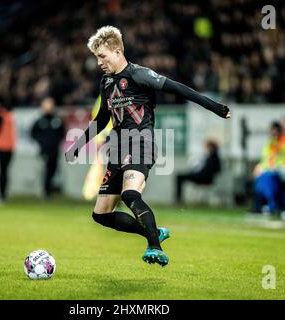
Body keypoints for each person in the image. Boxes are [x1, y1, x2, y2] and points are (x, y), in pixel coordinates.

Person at [65, 26, 230, 267]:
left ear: (117, 50)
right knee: (101, 215)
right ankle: (152, 232)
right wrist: (79, 144)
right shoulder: (106, 82)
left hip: (142, 143)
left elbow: (178, 88)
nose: (99, 62)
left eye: (102, 56)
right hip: (117, 148)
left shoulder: (139, 74)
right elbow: (102, 118)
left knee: (130, 194)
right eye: (96, 57)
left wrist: (215, 106)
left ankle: (155, 247)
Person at [252, 121, 285, 215]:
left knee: (267, 180)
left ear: (279, 131)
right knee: (262, 178)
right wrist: (261, 167)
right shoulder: (270, 143)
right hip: (272, 170)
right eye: (271, 131)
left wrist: (277, 166)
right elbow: (265, 159)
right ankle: (264, 205)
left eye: (274, 131)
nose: (273, 134)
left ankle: (269, 206)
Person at [30, 97, 65, 198]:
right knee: (45, 169)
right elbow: (33, 133)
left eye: (50, 104)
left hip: (55, 150)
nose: (49, 106)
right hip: (44, 150)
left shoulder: (57, 120)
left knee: (53, 169)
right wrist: (42, 142)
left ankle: (50, 189)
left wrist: (56, 141)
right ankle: (45, 191)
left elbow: (62, 133)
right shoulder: (40, 121)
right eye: (47, 104)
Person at [174, 139, 221, 203]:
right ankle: (178, 199)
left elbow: (209, 171)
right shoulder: (211, 156)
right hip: (202, 176)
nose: (206, 149)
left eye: (207, 147)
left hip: (204, 178)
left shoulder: (214, 157)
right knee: (180, 176)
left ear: (211, 147)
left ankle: (178, 199)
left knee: (179, 177)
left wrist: (196, 173)